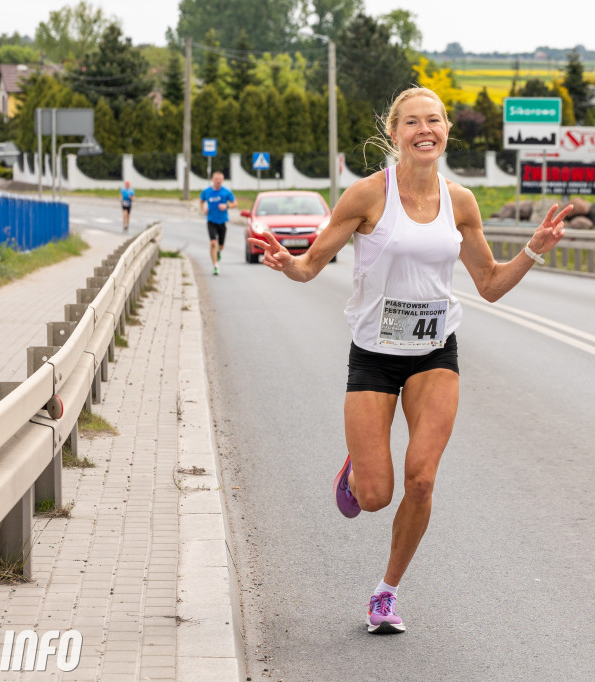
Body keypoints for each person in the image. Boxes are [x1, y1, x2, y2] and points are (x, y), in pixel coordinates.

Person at [248, 87, 572, 634]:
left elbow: (489, 285)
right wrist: (287, 263)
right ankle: (357, 469)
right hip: (374, 355)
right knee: (376, 496)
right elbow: (310, 267)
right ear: (395, 133)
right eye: (413, 122)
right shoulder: (366, 197)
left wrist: (533, 250)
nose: (426, 130)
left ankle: (386, 593)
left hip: (434, 352)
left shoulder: (460, 202)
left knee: (421, 480)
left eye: (435, 121)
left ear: (446, 130)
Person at [199, 170, 237, 276]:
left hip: (222, 221)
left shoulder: (226, 192)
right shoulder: (206, 192)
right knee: (213, 243)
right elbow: (201, 201)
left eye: (220, 179)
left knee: (220, 246)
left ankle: (218, 252)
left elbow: (235, 203)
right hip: (211, 220)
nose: (218, 181)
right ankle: (215, 265)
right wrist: (204, 209)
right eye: (216, 179)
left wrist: (227, 206)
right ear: (212, 179)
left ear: (223, 180)